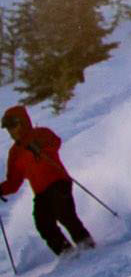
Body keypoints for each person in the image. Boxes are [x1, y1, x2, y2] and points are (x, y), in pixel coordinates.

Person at [1, 105, 95, 257]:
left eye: (13, 126)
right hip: (41, 193)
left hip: (59, 182)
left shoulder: (40, 133)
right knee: (43, 224)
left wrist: (41, 148)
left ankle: (87, 245)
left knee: (64, 214)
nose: (11, 131)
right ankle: (67, 253)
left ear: (23, 122)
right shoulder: (14, 153)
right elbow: (13, 182)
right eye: (8, 128)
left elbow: (55, 142)